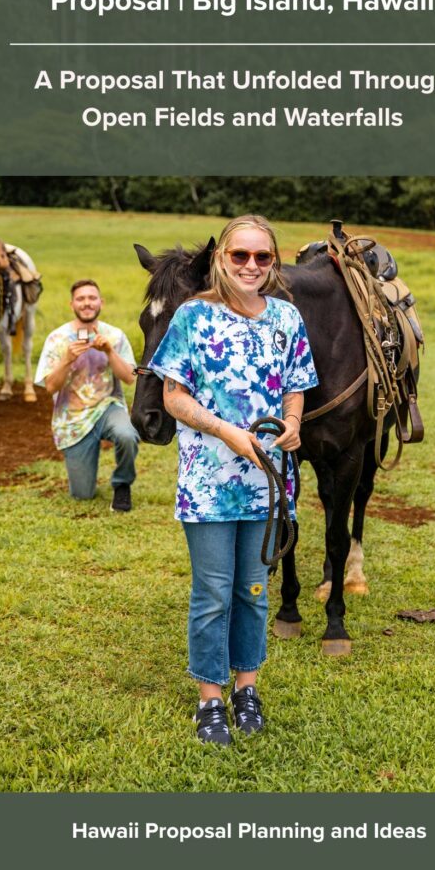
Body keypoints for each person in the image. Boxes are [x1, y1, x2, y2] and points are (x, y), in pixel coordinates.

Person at [149, 215, 318, 745]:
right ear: (222, 258)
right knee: (214, 593)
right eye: (239, 255)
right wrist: (225, 431)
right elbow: (173, 396)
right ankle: (210, 699)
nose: (250, 266)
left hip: (269, 481)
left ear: (273, 262)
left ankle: (248, 686)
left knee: (254, 590)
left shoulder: (288, 318)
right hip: (208, 481)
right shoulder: (193, 317)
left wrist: (291, 423)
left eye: (261, 257)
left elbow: (296, 385)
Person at [35, 279, 139, 512]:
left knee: (127, 434)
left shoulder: (115, 335)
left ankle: (122, 486)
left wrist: (110, 352)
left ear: (101, 302)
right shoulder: (56, 339)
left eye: (92, 298)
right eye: (81, 299)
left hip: (107, 407)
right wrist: (67, 359)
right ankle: (84, 476)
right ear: (71, 304)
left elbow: (130, 378)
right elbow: (50, 387)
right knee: (82, 495)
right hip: (72, 420)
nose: (87, 303)